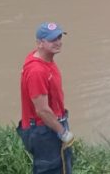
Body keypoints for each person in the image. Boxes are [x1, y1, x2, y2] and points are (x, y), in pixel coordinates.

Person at [18, 22, 75, 174]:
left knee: (63, 166)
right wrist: (63, 132)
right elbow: (42, 110)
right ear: (40, 43)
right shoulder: (37, 71)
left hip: (52, 124)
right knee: (52, 169)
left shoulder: (46, 59)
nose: (58, 42)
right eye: (52, 39)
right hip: (43, 131)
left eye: (59, 37)